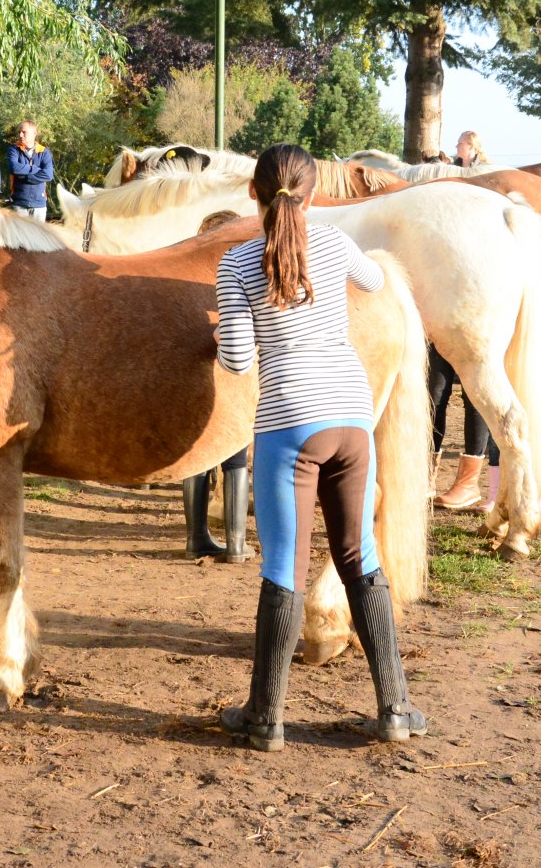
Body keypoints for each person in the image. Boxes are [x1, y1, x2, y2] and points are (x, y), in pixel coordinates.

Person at [215, 142, 426, 752]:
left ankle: (266, 717)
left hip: (290, 426)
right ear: (312, 195)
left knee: (283, 567)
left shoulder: (237, 266)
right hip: (353, 421)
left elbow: (234, 359)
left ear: (253, 194)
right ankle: (395, 707)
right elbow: (377, 278)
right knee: (361, 558)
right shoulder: (333, 244)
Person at [182, 211, 254, 565]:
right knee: (236, 457)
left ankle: (197, 538)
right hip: (235, 378)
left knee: (197, 456)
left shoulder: (182, 285)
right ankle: (237, 543)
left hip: (194, 382)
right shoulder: (240, 279)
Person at [429, 346, 500, 514]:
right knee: (434, 394)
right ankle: (427, 473)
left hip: (475, 326)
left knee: (474, 397)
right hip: (440, 326)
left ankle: (467, 484)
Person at [5, 118, 53, 220]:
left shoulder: (44, 152)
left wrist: (25, 176)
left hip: (39, 204)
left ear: (34, 133)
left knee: (39, 235)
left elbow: (48, 175)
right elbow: (14, 168)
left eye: (24, 132)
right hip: (19, 203)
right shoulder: (14, 150)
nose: (20, 135)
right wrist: (36, 169)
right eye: (19, 132)